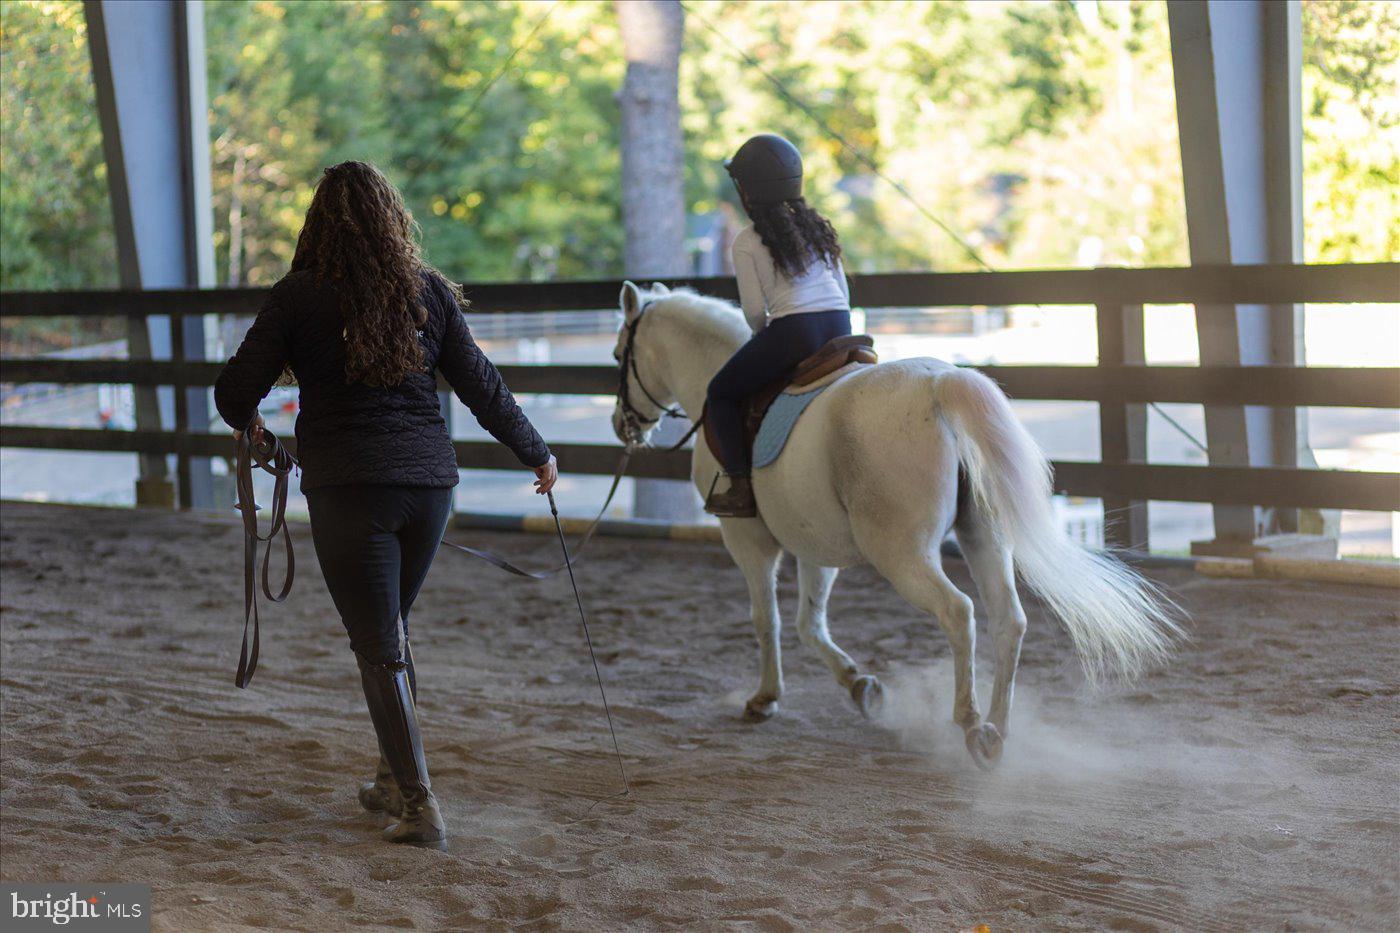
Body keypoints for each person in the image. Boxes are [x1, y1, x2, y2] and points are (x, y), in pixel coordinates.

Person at [214, 161, 557, 850]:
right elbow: (483, 387)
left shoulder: (297, 296)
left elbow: (232, 390)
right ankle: (389, 778)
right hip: (430, 491)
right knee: (389, 632)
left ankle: (421, 803)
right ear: (392, 220)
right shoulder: (426, 292)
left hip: (349, 491)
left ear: (317, 225)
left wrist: (253, 426)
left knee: (378, 644)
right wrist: (538, 453)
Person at [704, 134, 853, 518]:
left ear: (748, 190)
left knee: (719, 393)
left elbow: (755, 312)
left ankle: (739, 486)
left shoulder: (747, 241)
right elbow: (843, 291)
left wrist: (765, 342)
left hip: (795, 333)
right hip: (841, 326)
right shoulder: (819, 228)